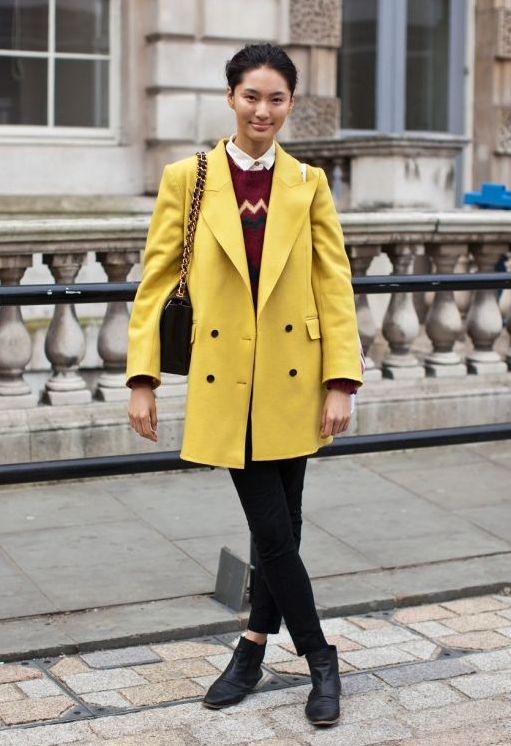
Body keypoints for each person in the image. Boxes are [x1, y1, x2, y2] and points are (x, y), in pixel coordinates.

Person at [126, 43, 363, 728]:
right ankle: (321, 657)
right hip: (228, 382)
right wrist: (142, 379)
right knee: (274, 529)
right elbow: (154, 283)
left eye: (276, 98)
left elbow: (333, 283)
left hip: (297, 378)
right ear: (230, 97)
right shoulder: (189, 178)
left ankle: (252, 648)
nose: (263, 110)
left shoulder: (308, 183)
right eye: (251, 96)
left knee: (282, 527)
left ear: (291, 104)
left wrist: (341, 381)